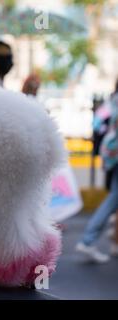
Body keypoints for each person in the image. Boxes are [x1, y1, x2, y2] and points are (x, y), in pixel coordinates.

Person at [76, 83, 118, 262]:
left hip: (113, 153)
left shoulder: (113, 99)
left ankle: (101, 237)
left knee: (114, 197)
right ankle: (89, 239)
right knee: (114, 198)